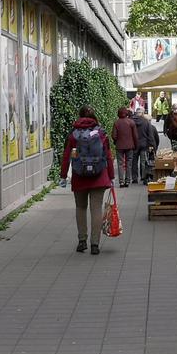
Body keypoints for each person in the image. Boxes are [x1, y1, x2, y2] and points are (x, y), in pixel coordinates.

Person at [59, 105, 115, 255]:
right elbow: (108, 155)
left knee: (80, 207)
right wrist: (112, 175)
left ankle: (82, 241)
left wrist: (63, 175)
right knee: (96, 209)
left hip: (79, 175)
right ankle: (95, 244)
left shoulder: (73, 134)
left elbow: (66, 156)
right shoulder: (102, 133)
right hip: (99, 176)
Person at [112, 106, 138, 187]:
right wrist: (136, 145)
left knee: (120, 163)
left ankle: (121, 182)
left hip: (119, 146)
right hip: (130, 146)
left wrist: (116, 142)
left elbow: (114, 136)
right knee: (128, 163)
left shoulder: (116, 123)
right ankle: (127, 181)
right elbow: (135, 136)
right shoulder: (131, 122)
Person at [131, 108, 151, 184]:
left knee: (134, 162)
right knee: (143, 161)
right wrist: (151, 144)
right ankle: (143, 177)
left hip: (134, 144)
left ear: (136, 113)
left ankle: (134, 178)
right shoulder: (146, 122)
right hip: (144, 144)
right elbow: (150, 134)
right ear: (142, 113)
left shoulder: (131, 121)